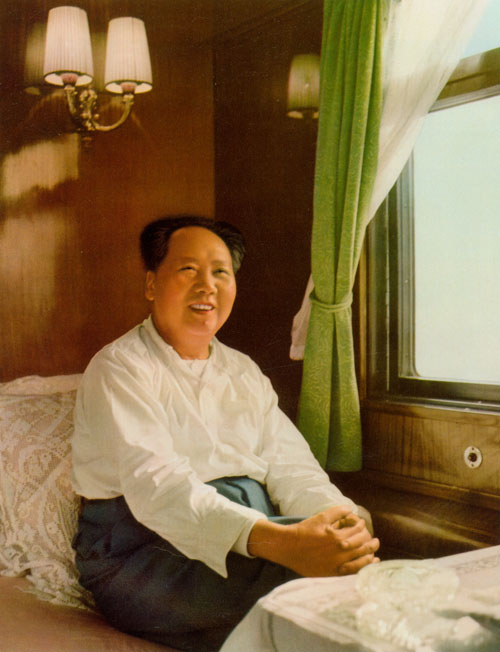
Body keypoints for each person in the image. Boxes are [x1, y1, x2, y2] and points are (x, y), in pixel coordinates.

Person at [71, 215, 380, 651]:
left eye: (221, 272)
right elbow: (159, 490)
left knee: (343, 562)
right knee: (315, 595)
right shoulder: (119, 368)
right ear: (151, 284)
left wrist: (338, 519)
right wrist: (285, 543)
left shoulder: (243, 370)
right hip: (141, 548)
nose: (207, 286)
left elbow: (291, 467)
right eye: (188, 269)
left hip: (253, 530)